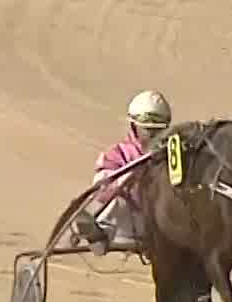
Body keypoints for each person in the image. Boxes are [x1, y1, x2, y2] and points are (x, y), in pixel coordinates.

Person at [73, 90, 172, 255]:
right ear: (134, 126)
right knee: (117, 199)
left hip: (159, 217)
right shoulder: (119, 153)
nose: (153, 134)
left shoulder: (170, 153)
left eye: (158, 130)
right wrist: (125, 179)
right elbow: (101, 186)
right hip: (127, 218)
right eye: (147, 129)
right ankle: (98, 234)